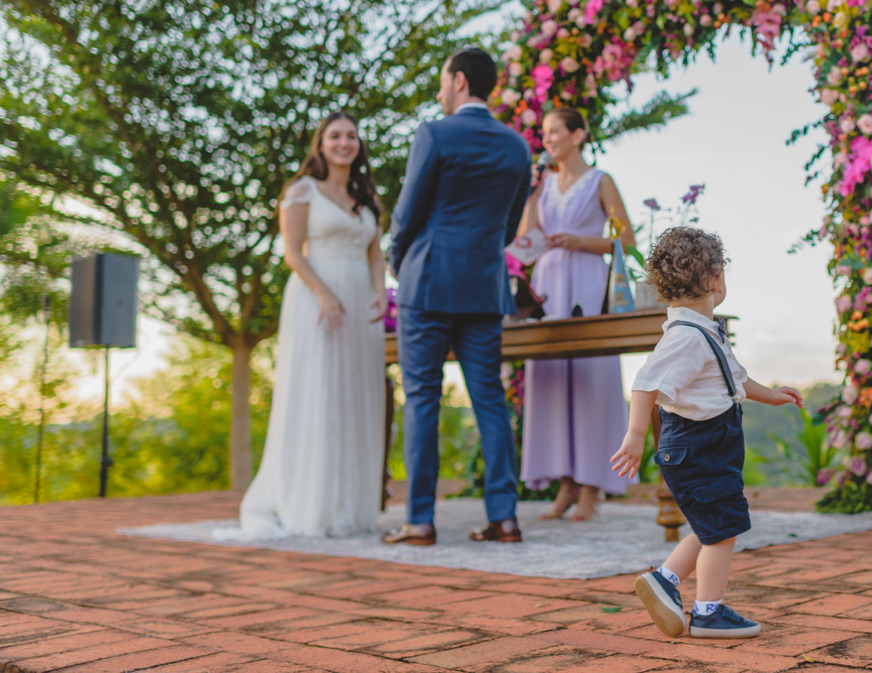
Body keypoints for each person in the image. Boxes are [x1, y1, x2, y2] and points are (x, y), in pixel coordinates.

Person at [610, 226, 803, 639]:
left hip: (708, 446)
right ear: (717, 279)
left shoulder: (704, 330)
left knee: (713, 523)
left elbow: (736, 380)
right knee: (723, 529)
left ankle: (665, 580)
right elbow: (645, 383)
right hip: (699, 446)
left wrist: (772, 396)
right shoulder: (687, 337)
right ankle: (708, 612)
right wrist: (635, 435)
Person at [382, 48, 531, 547]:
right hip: (485, 285)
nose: (440, 90)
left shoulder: (434, 133)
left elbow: (407, 212)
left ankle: (420, 521)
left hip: (427, 281)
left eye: (443, 79)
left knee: (422, 398)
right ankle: (504, 518)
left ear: (460, 81)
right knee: (489, 398)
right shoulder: (517, 146)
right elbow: (509, 228)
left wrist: (398, 260)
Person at [222, 111, 387, 540]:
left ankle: (350, 509)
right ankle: (311, 506)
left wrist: (380, 292)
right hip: (317, 301)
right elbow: (293, 253)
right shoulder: (302, 191)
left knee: (357, 399)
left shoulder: (366, 195)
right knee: (321, 395)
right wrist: (324, 293)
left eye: (351, 136)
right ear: (321, 144)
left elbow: (375, 255)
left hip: (361, 308)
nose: (344, 143)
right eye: (335, 136)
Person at [517, 107, 636, 521]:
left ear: (578, 134)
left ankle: (592, 486)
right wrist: (532, 195)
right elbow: (525, 240)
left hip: (587, 278)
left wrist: (582, 242)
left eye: (555, 131)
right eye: (545, 132)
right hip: (549, 283)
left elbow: (626, 240)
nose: (547, 138)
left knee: (592, 379)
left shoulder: (601, 181)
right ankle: (564, 485)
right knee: (551, 380)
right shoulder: (544, 185)